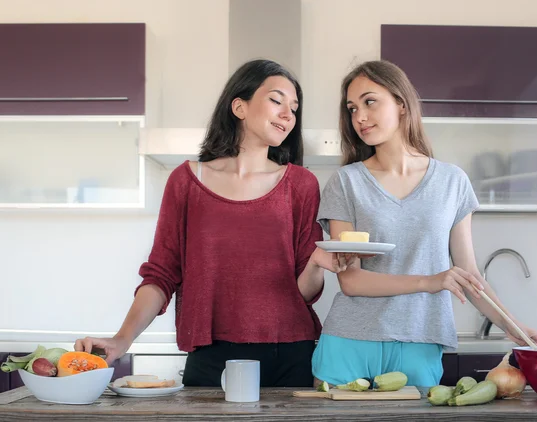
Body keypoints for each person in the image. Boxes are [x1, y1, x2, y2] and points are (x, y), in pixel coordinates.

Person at [74, 59, 346, 387]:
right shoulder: (186, 181)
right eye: (276, 100)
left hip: (290, 353)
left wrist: (317, 262)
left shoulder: (301, 184)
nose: (288, 114)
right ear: (239, 107)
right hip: (210, 355)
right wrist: (122, 339)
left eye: (294, 107)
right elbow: (161, 273)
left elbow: (304, 293)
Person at [312, 60, 537, 388]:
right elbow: (351, 281)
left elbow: (468, 275)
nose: (359, 116)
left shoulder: (451, 182)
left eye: (370, 101)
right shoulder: (346, 182)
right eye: (352, 108)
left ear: (401, 104)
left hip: (421, 340)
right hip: (349, 339)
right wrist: (430, 281)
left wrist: (514, 326)